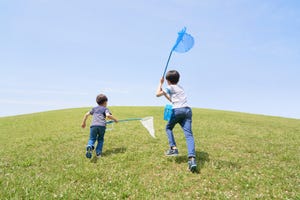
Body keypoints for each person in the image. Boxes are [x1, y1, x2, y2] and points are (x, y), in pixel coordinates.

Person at [156, 70, 197, 172]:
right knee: (189, 135)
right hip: (187, 110)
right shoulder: (180, 88)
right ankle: (192, 159)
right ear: (178, 79)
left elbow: (157, 94)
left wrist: (160, 83)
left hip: (177, 111)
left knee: (168, 128)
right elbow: (171, 99)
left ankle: (173, 148)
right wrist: (165, 93)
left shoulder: (169, 87)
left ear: (168, 80)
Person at [81, 94, 118, 159]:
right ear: (105, 102)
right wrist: (115, 119)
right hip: (102, 126)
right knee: (100, 139)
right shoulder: (105, 109)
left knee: (92, 138)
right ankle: (98, 153)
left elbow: (86, 114)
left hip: (93, 126)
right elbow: (108, 115)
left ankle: (90, 145)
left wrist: (83, 123)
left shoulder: (94, 109)